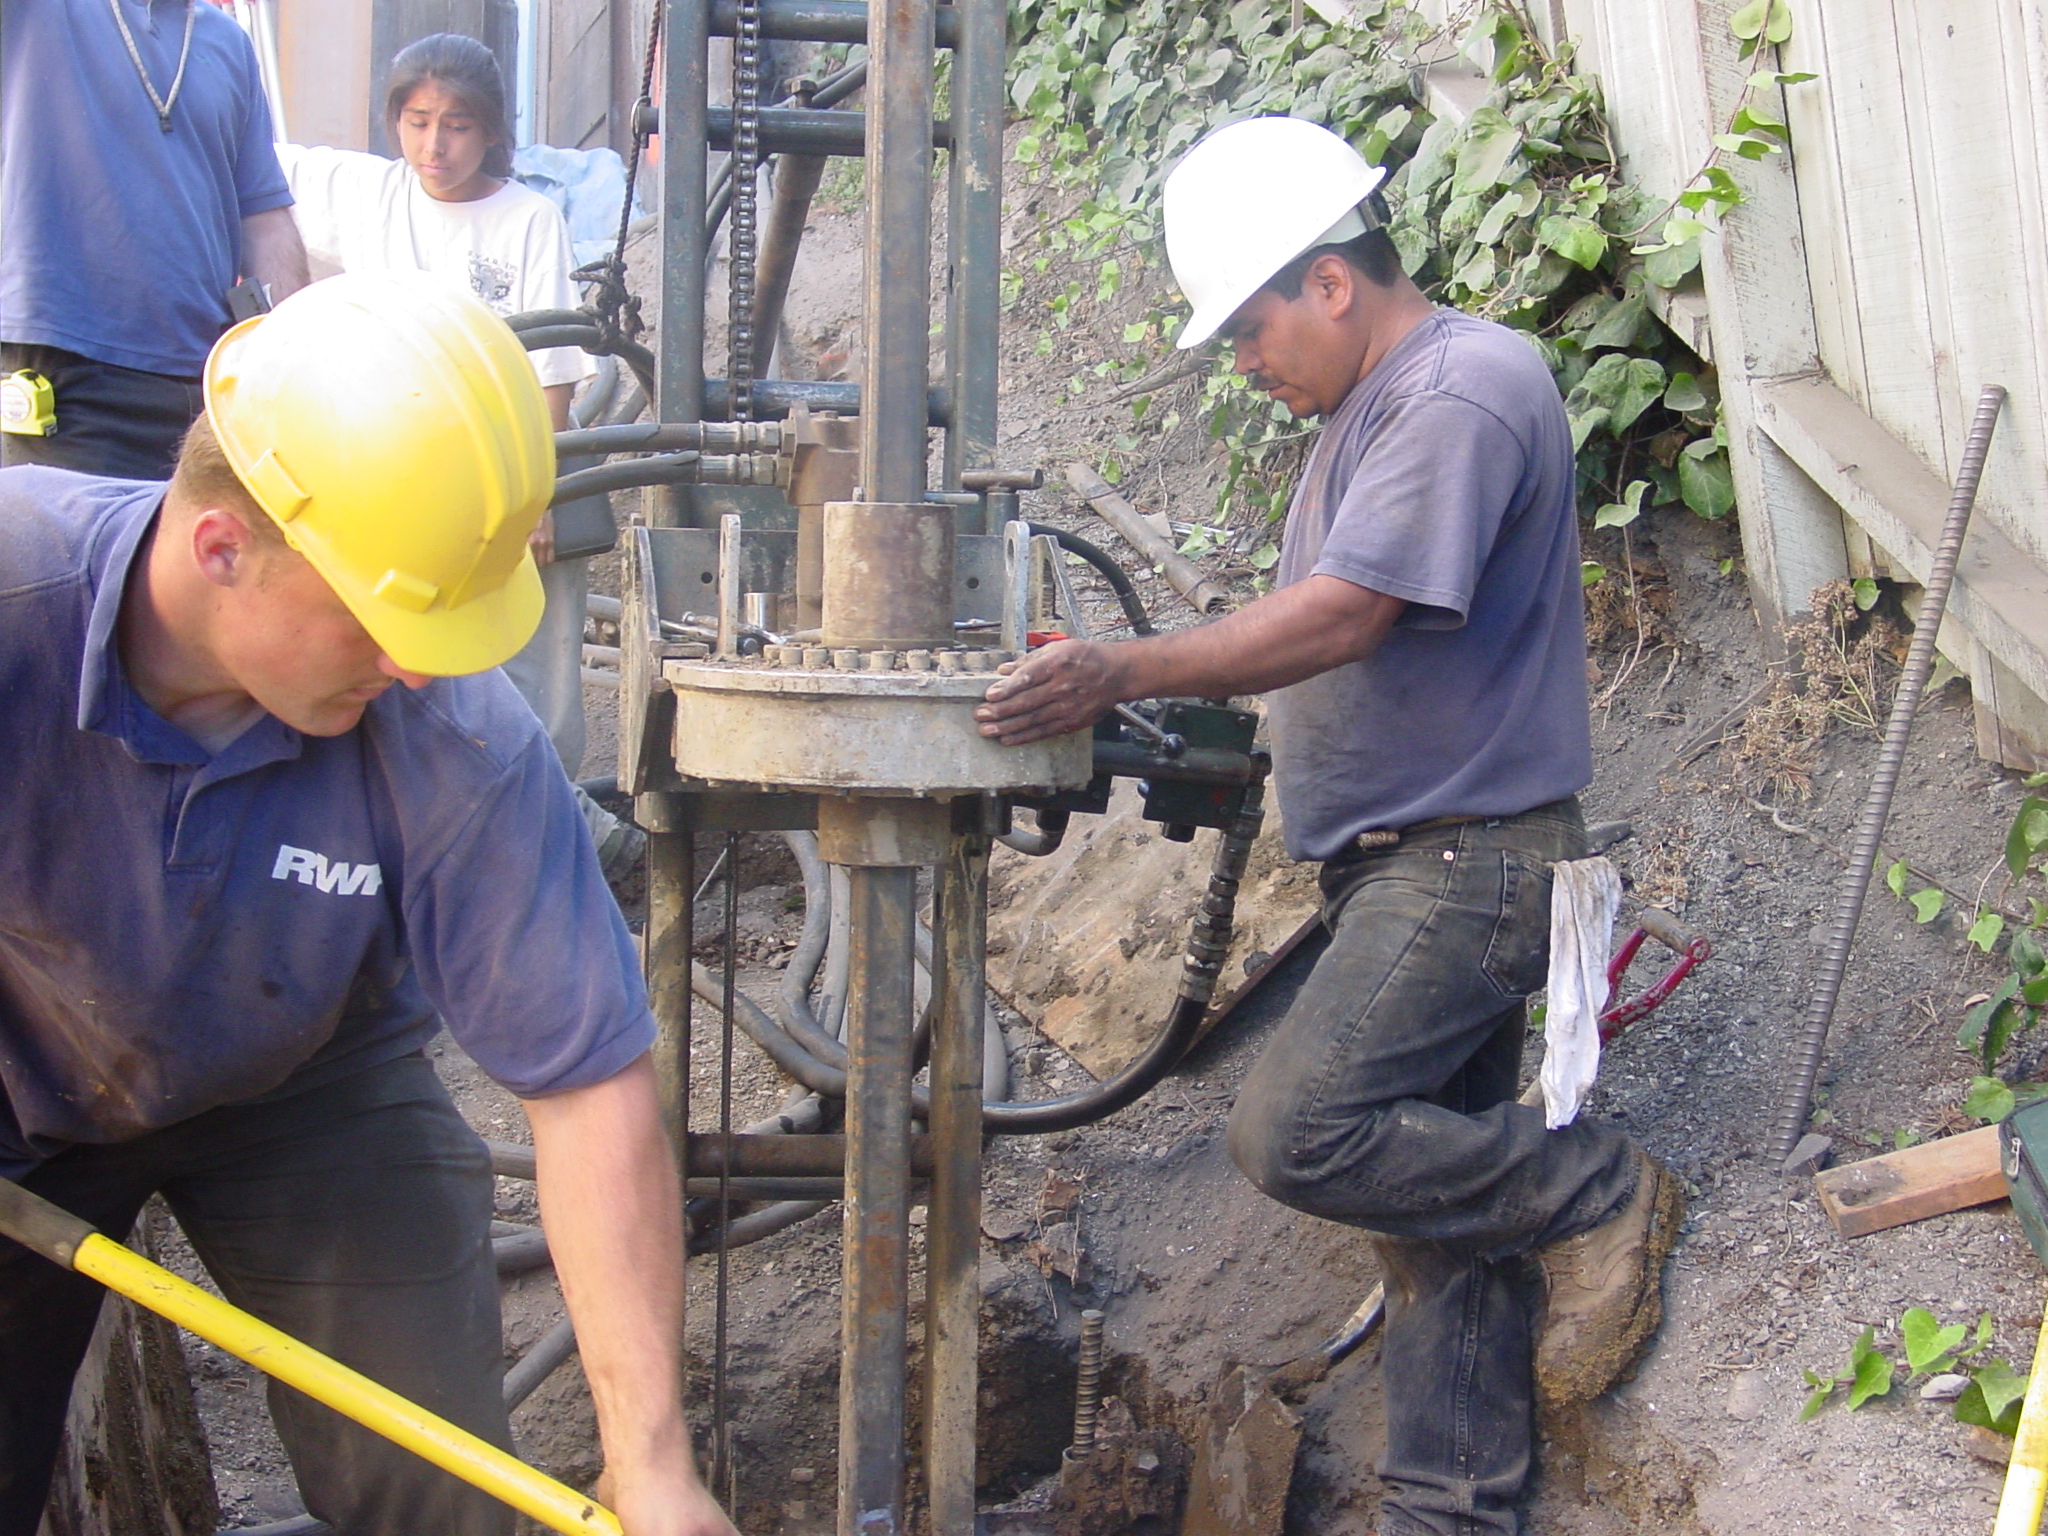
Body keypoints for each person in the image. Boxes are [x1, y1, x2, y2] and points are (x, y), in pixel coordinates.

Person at [976, 116, 1681, 1536]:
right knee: (1432, 1231)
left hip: (1468, 860)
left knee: (1298, 1130)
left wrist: (1127, 665)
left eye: (1248, 328)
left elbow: (1349, 614)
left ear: (1332, 281)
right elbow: (1353, 653)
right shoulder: (1369, 419)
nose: (1243, 362)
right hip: (1407, 862)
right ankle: (1447, 1508)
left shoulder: (1463, 385)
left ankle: (1600, 1188)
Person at [0, 272, 736, 1536]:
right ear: (221, 547)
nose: (418, 662)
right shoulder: (18, 603)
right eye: (382, 616)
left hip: (308, 1089)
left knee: (434, 1491)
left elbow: (585, 1086)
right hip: (19, 1090)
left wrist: (653, 1463)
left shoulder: (450, 731)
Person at [275, 32, 638, 873]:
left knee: (537, 681)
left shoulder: (525, 219)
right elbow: (257, 169)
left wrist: (536, 495)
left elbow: (551, 378)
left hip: (513, 470)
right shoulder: (369, 196)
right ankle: (482, 852)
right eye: (416, 121)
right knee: (424, 669)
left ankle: (566, 851)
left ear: (490, 133)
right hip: (400, 478)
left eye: (457, 127)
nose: (434, 147)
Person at [0, 0, 310, 480]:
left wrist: (295, 363)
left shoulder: (228, 41)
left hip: (212, 390)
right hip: (67, 374)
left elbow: (263, 215)